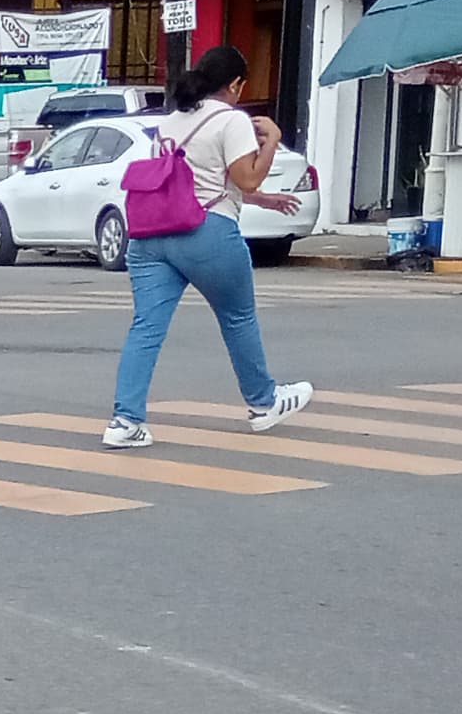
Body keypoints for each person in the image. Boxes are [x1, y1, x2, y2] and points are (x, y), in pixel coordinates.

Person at [107, 44, 311, 449]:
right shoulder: (231, 119)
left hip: (151, 238)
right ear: (235, 84)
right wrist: (272, 141)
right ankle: (264, 403)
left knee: (146, 328)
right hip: (206, 234)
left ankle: (124, 421)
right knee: (237, 318)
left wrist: (262, 200)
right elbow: (247, 178)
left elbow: (189, 183)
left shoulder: (172, 121)